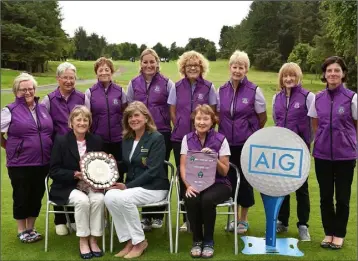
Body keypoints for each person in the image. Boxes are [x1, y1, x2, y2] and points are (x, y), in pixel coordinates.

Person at [104, 101, 169, 259]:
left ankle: (140, 242)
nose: (133, 119)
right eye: (129, 117)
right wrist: (111, 162)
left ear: (146, 118)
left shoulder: (156, 138)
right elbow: (128, 165)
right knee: (109, 197)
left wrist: (127, 186)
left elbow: (153, 170)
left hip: (154, 187)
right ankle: (129, 240)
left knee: (124, 197)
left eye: (136, 115)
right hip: (134, 188)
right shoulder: (127, 139)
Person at [308, 56, 357, 249]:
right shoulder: (317, 98)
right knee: (325, 196)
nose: (333, 74)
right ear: (324, 74)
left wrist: (349, 140)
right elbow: (315, 123)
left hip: (345, 155)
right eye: (329, 71)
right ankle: (329, 232)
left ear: (343, 74)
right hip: (322, 155)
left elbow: (355, 124)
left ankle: (340, 234)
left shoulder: (351, 98)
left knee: (342, 197)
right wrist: (320, 139)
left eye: (337, 70)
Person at [217, 50, 267, 234]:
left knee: (244, 181)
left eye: (242, 67)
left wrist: (251, 133)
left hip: (245, 143)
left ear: (247, 69)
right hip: (226, 144)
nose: (238, 70)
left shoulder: (254, 90)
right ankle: (233, 217)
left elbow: (262, 117)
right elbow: (217, 114)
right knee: (229, 179)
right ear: (230, 67)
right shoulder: (221, 90)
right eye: (235, 66)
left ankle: (243, 219)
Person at [168, 50, 217, 232]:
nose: (193, 68)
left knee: (202, 177)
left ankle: (201, 219)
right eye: (189, 66)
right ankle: (186, 219)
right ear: (184, 68)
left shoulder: (209, 87)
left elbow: (212, 112)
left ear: (201, 67)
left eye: (196, 65)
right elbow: (172, 110)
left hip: (203, 140)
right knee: (184, 178)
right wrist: (178, 124)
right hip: (180, 138)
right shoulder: (177, 86)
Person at [1, 73, 53, 243]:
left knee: (36, 195)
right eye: (23, 89)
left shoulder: (42, 108)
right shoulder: (10, 110)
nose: (28, 92)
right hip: (20, 164)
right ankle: (22, 230)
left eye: (30, 88)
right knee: (22, 196)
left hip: (43, 162)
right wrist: (9, 147)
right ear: (16, 91)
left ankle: (31, 228)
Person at [126, 48, 174, 231]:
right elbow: (130, 108)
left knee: (160, 169)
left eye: (152, 62)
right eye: (145, 62)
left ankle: (158, 214)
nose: (148, 65)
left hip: (161, 132)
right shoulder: (133, 83)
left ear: (157, 63)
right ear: (141, 64)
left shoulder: (167, 83)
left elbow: (172, 108)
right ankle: (145, 216)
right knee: (142, 169)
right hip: (141, 133)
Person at [49, 105, 105, 259]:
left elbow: (101, 165)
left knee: (99, 199)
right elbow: (53, 170)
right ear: (71, 122)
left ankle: (94, 239)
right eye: (78, 119)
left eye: (85, 119)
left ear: (89, 122)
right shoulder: (61, 141)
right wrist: (74, 174)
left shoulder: (96, 140)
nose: (82, 123)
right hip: (67, 186)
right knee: (82, 201)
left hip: (90, 185)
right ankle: (83, 240)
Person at [180, 104, 231, 258]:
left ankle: (208, 240)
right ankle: (197, 239)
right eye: (199, 118)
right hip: (194, 182)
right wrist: (188, 186)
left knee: (207, 200)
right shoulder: (187, 139)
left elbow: (225, 171)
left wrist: (213, 158)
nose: (202, 122)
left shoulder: (221, 139)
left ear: (212, 121)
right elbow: (182, 166)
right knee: (192, 198)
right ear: (194, 120)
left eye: (206, 119)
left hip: (219, 184)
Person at [272, 62, 314, 241]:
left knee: (301, 189)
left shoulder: (308, 97)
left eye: (292, 75)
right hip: (282, 149)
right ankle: (283, 221)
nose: (288, 79)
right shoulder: (276, 98)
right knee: (282, 187)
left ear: (298, 77)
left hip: (300, 150)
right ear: (281, 78)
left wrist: (306, 143)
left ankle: (303, 225)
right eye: (285, 76)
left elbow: (313, 124)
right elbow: (276, 120)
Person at [42, 62, 84, 236]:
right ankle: (59, 219)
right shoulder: (49, 99)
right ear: (58, 78)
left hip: (78, 145)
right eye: (65, 77)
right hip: (58, 147)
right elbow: (45, 125)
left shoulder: (82, 97)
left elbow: (87, 120)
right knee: (60, 180)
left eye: (72, 78)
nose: (69, 81)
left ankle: (73, 219)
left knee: (77, 180)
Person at [85, 57, 127, 181]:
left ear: (111, 72)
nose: (104, 72)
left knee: (117, 173)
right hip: (98, 140)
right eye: (100, 70)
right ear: (96, 73)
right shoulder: (90, 92)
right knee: (100, 174)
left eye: (107, 69)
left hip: (118, 139)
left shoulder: (120, 91)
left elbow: (125, 113)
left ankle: (118, 199)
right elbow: (88, 117)